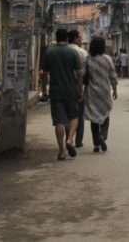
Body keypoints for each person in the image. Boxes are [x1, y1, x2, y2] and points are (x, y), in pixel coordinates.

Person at [40, 28, 83, 160]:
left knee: (59, 121)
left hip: (56, 91)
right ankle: (70, 140)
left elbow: (45, 74)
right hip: (71, 90)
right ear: (67, 38)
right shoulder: (72, 52)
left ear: (56, 37)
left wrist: (44, 90)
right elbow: (79, 73)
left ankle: (62, 152)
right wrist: (80, 90)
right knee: (74, 117)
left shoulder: (49, 52)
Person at [84, 36, 118, 152]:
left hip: (92, 91)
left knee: (94, 118)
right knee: (106, 113)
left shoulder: (88, 59)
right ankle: (103, 136)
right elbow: (112, 75)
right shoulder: (107, 59)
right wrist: (115, 89)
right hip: (104, 91)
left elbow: (82, 74)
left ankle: (96, 145)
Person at [68, 29, 88, 149]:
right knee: (79, 115)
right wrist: (81, 90)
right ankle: (78, 141)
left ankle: (68, 138)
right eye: (80, 37)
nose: (81, 40)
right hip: (78, 86)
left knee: (66, 115)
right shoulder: (82, 52)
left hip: (64, 87)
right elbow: (82, 73)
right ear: (75, 39)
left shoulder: (63, 50)